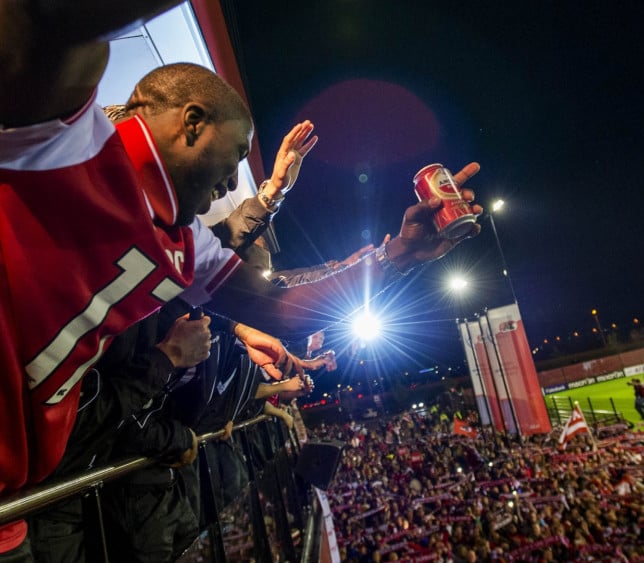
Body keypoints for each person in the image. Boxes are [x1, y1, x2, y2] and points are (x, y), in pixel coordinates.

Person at [0, 4, 480, 556]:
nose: (232, 182)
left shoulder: (184, 243)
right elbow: (49, 24)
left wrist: (400, 256)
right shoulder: (65, 142)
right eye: (233, 157)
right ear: (191, 122)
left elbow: (282, 307)